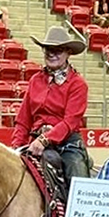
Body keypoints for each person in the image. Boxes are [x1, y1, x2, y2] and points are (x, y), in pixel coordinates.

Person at [11, 26, 91, 184]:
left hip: (67, 144)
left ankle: (79, 207)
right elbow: (23, 119)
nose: (52, 53)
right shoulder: (35, 80)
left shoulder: (78, 84)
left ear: (68, 52)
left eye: (58, 50)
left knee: (77, 177)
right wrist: (16, 146)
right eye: (48, 49)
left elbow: (70, 122)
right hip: (34, 141)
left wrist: (44, 140)